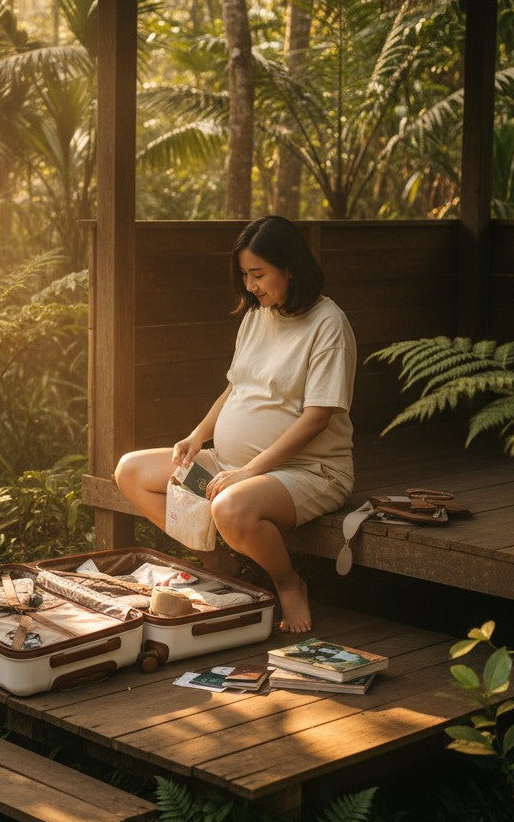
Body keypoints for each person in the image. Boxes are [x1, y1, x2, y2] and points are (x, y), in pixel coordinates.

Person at [114, 215, 356, 633]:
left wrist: (248, 471)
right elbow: (235, 388)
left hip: (307, 471)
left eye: (258, 274)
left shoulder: (328, 324)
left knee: (230, 505)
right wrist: (197, 435)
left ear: (290, 267)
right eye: (245, 275)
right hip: (231, 464)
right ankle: (216, 557)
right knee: (130, 471)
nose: (250, 286)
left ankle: (289, 583)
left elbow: (317, 419)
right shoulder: (258, 315)